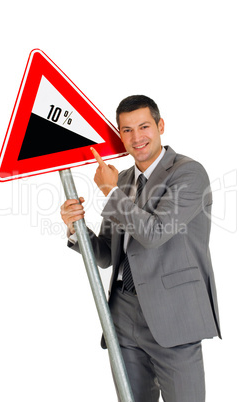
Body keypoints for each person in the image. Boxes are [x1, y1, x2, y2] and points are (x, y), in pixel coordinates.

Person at [60, 95, 221, 402]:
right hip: (123, 312)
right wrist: (76, 229)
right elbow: (108, 254)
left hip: (174, 314)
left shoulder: (188, 174)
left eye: (144, 126)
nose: (137, 137)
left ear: (160, 126)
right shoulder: (123, 179)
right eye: (127, 130)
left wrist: (111, 191)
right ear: (119, 136)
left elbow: (154, 232)